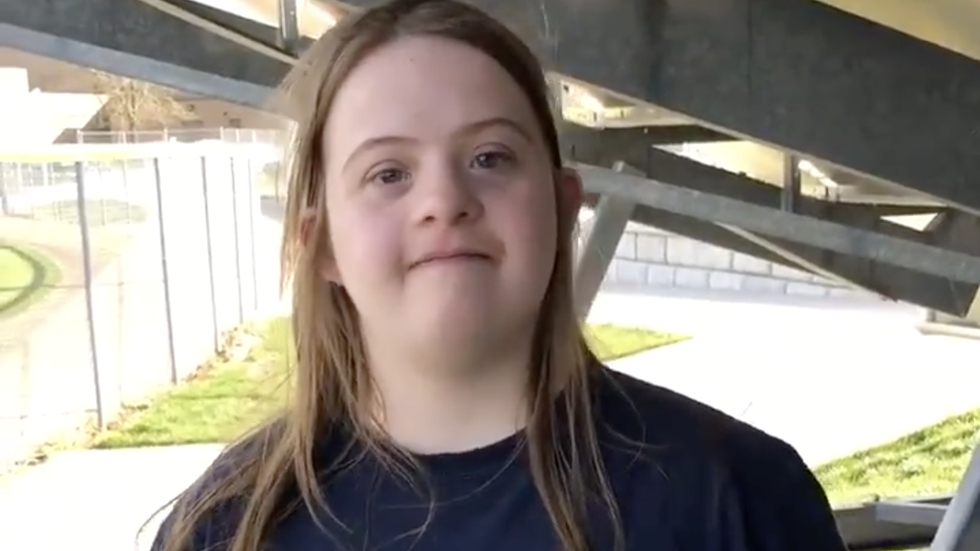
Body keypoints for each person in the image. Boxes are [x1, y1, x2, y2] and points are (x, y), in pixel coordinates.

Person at [151, 0, 848, 550]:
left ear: (563, 203)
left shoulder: (738, 499)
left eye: (490, 157)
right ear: (321, 243)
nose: (445, 200)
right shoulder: (226, 526)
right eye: (387, 172)